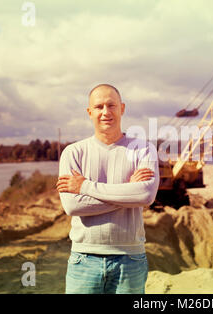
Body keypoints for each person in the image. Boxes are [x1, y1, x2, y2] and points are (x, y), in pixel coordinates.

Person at [56, 83, 160, 294]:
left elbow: (145, 195)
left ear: (122, 108)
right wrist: (128, 192)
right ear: (89, 112)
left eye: (111, 105)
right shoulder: (73, 153)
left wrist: (85, 186)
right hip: (84, 259)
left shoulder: (143, 149)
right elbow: (73, 206)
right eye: (99, 106)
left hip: (130, 259)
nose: (106, 112)